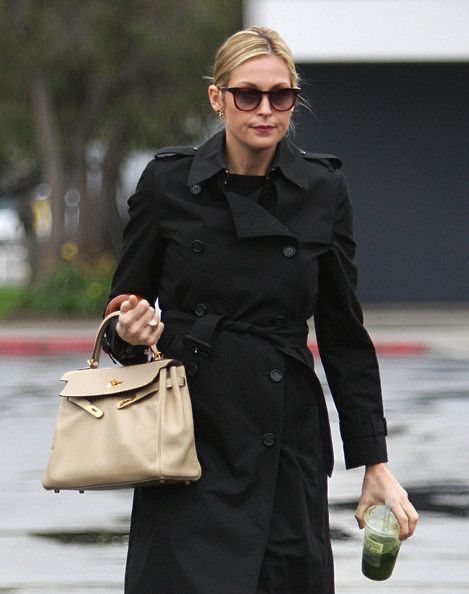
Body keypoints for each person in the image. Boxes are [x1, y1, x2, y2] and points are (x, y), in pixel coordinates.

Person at [104, 26, 419, 594]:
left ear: (295, 100)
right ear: (217, 97)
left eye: (281, 95)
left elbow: (345, 334)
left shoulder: (322, 190)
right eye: (247, 94)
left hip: (286, 437)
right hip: (186, 436)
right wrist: (129, 330)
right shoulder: (168, 185)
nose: (265, 109)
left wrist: (374, 462)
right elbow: (121, 314)